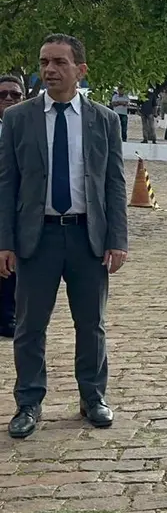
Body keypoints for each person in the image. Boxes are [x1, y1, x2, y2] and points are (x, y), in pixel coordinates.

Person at [0, 34, 129, 439]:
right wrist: (4, 241)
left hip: (86, 237)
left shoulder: (103, 119)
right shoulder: (18, 118)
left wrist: (118, 239)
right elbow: (7, 184)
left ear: (80, 69)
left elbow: (113, 183)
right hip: (36, 239)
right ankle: (28, 402)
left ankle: (93, 397)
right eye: (44, 62)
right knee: (29, 325)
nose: (50, 70)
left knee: (91, 323)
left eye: (59, 62)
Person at [0, 74, 26, 339]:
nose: (8, 99)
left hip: (16, 207)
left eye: (15, 95)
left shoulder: (26, 127)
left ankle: (8, 318)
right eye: (3, 94)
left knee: (10, 266)